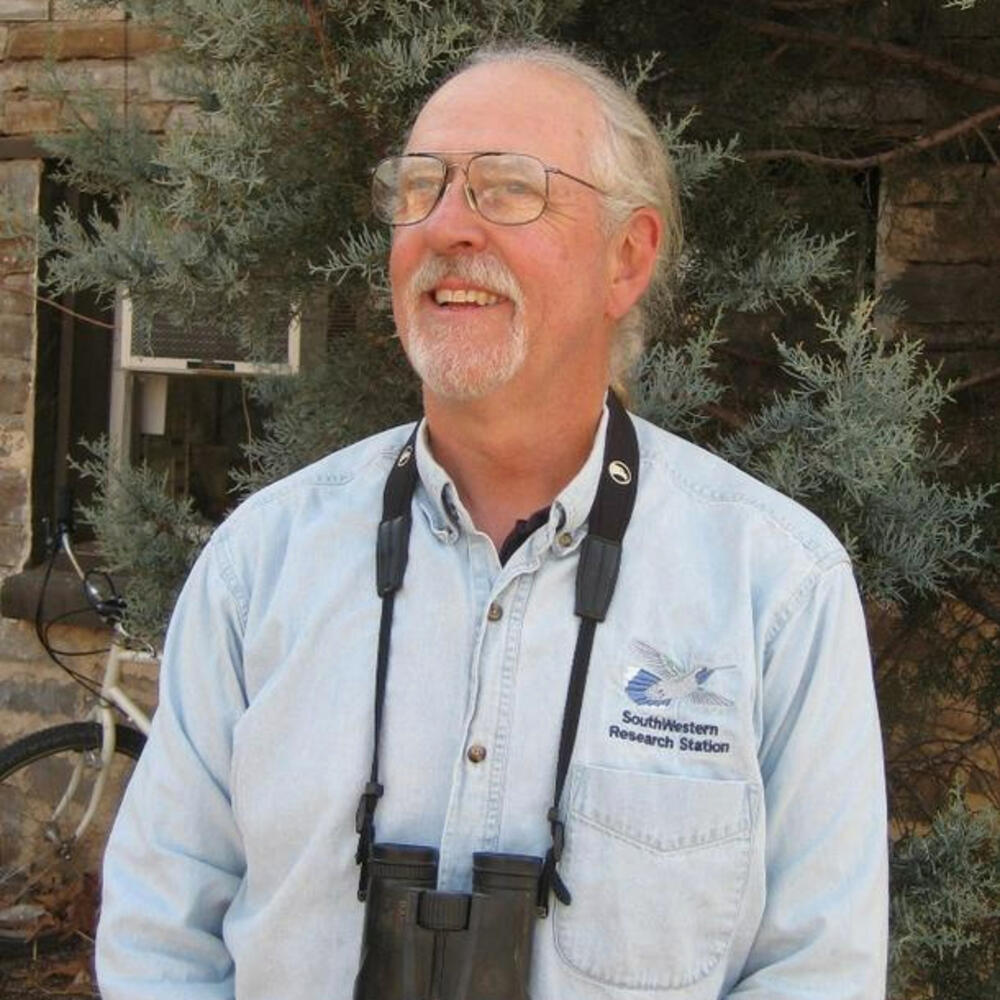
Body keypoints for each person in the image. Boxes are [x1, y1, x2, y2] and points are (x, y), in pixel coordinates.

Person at [97, 43, 888, 1000]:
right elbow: (159, 936)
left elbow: (816, 970)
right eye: (419, 188)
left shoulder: (777, 588)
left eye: (507, 188)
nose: (446, 227)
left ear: (626, 258)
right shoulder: (257, 566)